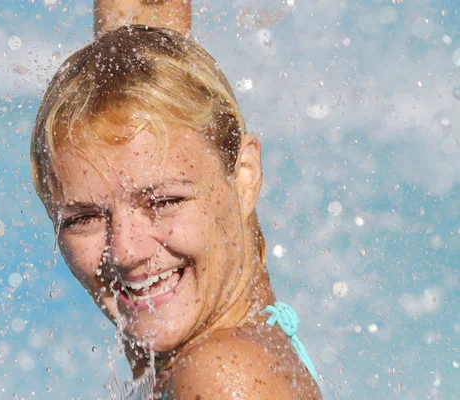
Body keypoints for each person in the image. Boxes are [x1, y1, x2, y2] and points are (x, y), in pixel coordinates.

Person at [30, 2, 321, 399]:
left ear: (244, 180)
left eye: (163, 202)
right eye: (84, 219)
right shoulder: (212, 344)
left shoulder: (221, 378)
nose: (125, 251)